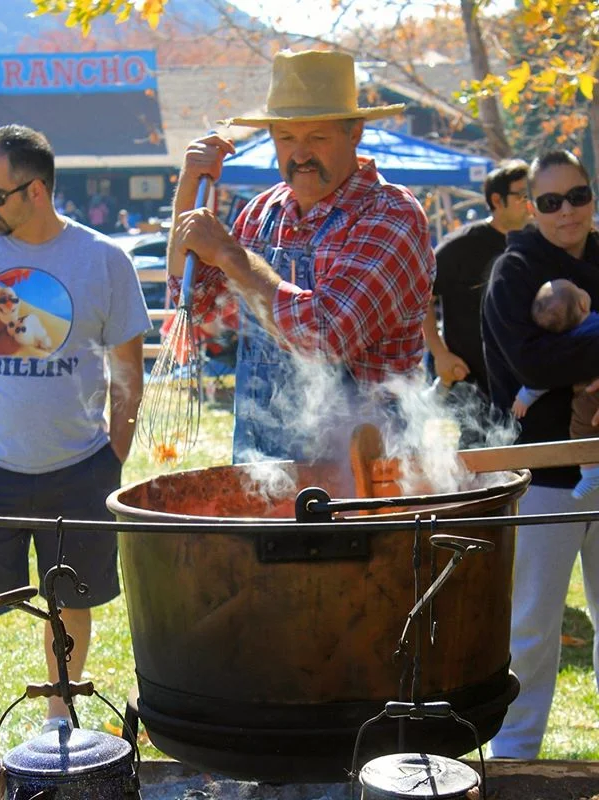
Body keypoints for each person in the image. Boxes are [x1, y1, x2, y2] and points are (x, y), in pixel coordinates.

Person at [0, 124, 150, 772]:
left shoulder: (103, 260)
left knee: (70, 605)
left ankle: (57, 726)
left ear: (35, 190)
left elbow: (129, 369)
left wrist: (112, 457)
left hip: (78, 469)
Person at [167, 49, 436, 462]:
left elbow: (323, 337)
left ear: (355, 133)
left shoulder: (390, 216)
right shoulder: (262, 212)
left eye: (318, 137)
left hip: (367, 479)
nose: (301, 153)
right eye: (287, 138)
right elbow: (198, 304)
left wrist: (232, 257)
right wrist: (188, 190)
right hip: (260, 469)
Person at [482, 149, 599, 759]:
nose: (567, 212)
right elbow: (531, 363)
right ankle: (514, 758)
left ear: (591, 195)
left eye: (576, 196)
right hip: (542, 471)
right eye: (551, 202)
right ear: (532, 208)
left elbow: (554, 360)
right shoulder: (515, 271)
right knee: (530, 627)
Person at [422, 160, 530, 397]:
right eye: (521, 195)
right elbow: (421, 295)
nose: (529, 203)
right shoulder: (461, 245)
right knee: (479, 435)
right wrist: (440, 353)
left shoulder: (536, 243)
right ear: (497, 200)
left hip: (525, 381)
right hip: (471, 382)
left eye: (531, 194)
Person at [511, 278, 599, 499]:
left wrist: (525, 395)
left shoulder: (570, 343)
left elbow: (546, 378)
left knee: (581, 430)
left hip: (588, 393)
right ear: (583, 304)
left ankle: (591, 473)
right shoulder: (593, 325)